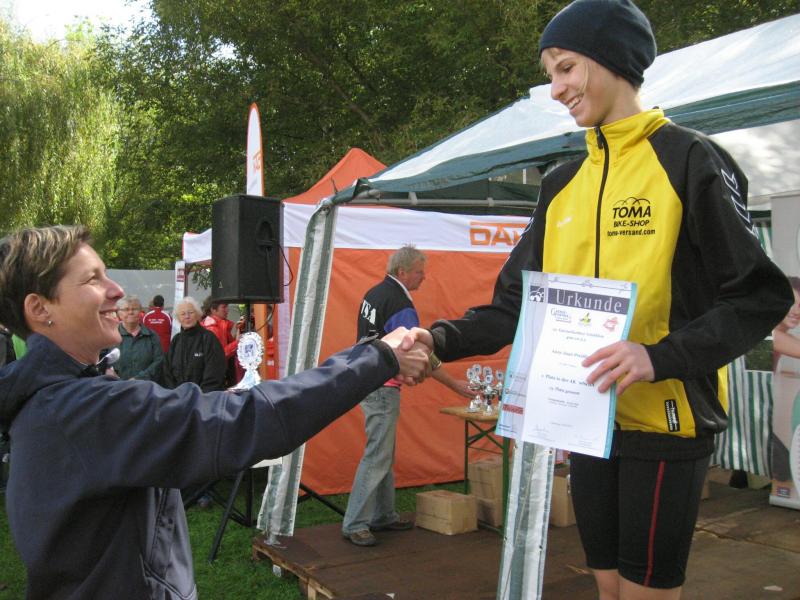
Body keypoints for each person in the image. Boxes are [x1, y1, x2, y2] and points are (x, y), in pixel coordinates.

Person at [414, 1, 794, 598]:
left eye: (566, 68)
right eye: (550, 74)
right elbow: (514, 306)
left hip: (667, 420)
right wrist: (435, 339)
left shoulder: (688, 158)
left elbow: (758, 297)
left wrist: (657, 357)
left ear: (613, 59)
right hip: (585, 420)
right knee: (608, 587)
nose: (556, 89)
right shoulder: (561, 183)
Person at [0, 225, 430, 599]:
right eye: (92, 279)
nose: (115, 290)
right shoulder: (82, 410)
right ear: (40, 308)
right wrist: (376, 357)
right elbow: (245, 419)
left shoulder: (58, 398)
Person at [342, 245, 471, 547]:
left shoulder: (374, 294)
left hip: (367, 380)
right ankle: (355, 523)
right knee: (378, 454)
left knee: (383, 451)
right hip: (382, 386)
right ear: (402, 272)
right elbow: (419, 353)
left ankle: (383, 514)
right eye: (419, 272)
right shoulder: (400, 303)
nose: (423, 277)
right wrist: (455, 384)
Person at [163, 296, 227, 392]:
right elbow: (167, 372)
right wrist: (175, 394)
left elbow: (215, 372)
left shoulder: (208, 338)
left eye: (191, 312)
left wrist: (200, 396)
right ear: (178, 318)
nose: (187, 316)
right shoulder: (176, 340)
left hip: (203, 397)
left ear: (197, 315)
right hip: (178, 397)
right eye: (183, 314)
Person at [113, 295, 164, 382]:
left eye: (135, 309)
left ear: (140, 311)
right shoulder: (110, 336)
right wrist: (108, 370)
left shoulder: (152, 336)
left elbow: (159, 362)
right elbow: (101, 360)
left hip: (145, 387)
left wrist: (139, 379)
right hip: (116, 386)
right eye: (126, 309)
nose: (130, 312)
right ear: (118, 313)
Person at [201, 298, 240, 385]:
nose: (227, 310)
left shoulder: (218, 325)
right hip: (217, 376)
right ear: (213, 309)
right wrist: (238, 342)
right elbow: (221, 354)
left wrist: (237, 334)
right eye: (224, 307)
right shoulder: (212, 328)